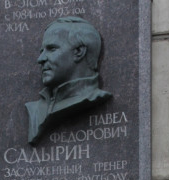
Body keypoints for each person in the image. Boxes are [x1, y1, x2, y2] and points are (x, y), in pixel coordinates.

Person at [25, 17, 112, 145]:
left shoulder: (94, 97)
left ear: (79, 52)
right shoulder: (35, 110)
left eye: (52, 49)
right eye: (42, 51)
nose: (41, 59)